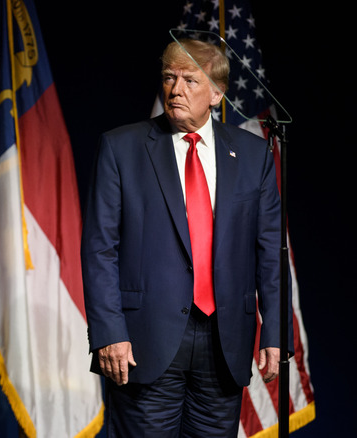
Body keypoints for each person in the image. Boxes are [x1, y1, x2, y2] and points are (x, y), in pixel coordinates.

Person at [81, 38, 293, 437]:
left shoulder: (253, 155)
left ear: (217, 93)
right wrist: (109, 333)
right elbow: (99, 249)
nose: (175, 90)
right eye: (168, 78)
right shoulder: (121, 148)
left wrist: (275, 332)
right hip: (143, 343)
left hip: (224, 343)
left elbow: (270, 252)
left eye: (189, 81)